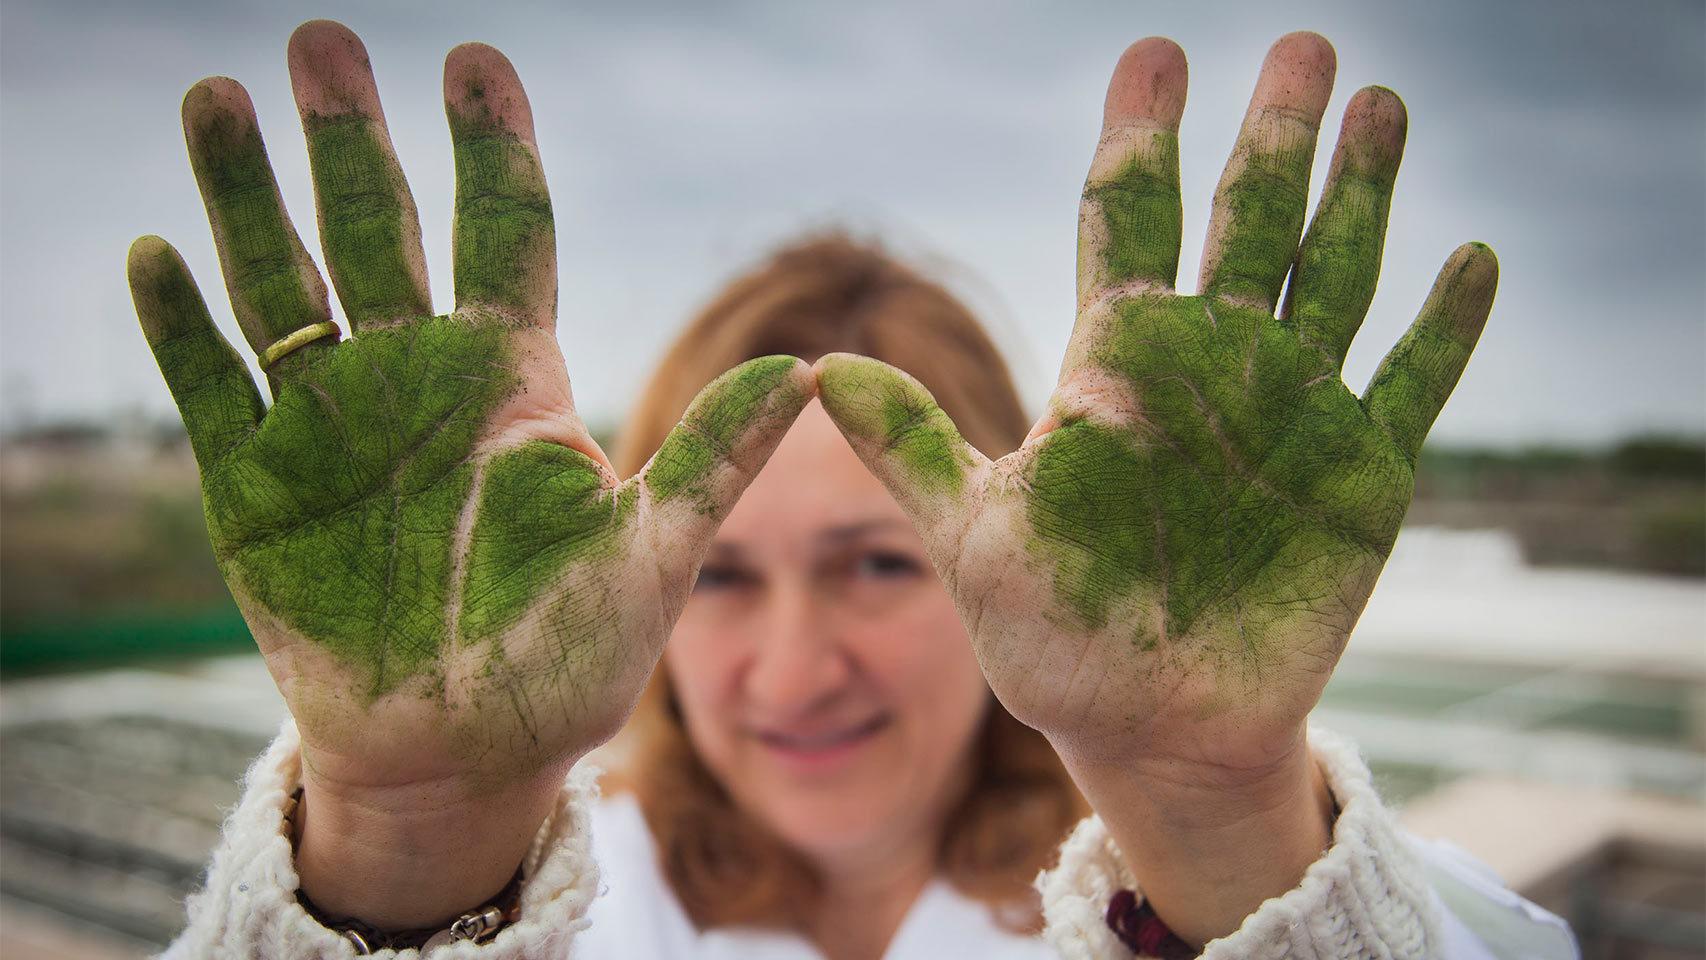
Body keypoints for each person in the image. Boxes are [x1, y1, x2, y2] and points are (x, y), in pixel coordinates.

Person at [131, 18, 1579, 960]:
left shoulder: (1360, 898)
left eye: (881, 564)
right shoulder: (559, 907)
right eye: (718, 574)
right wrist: (402, 845)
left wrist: (1210, 808)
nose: (792, 665)